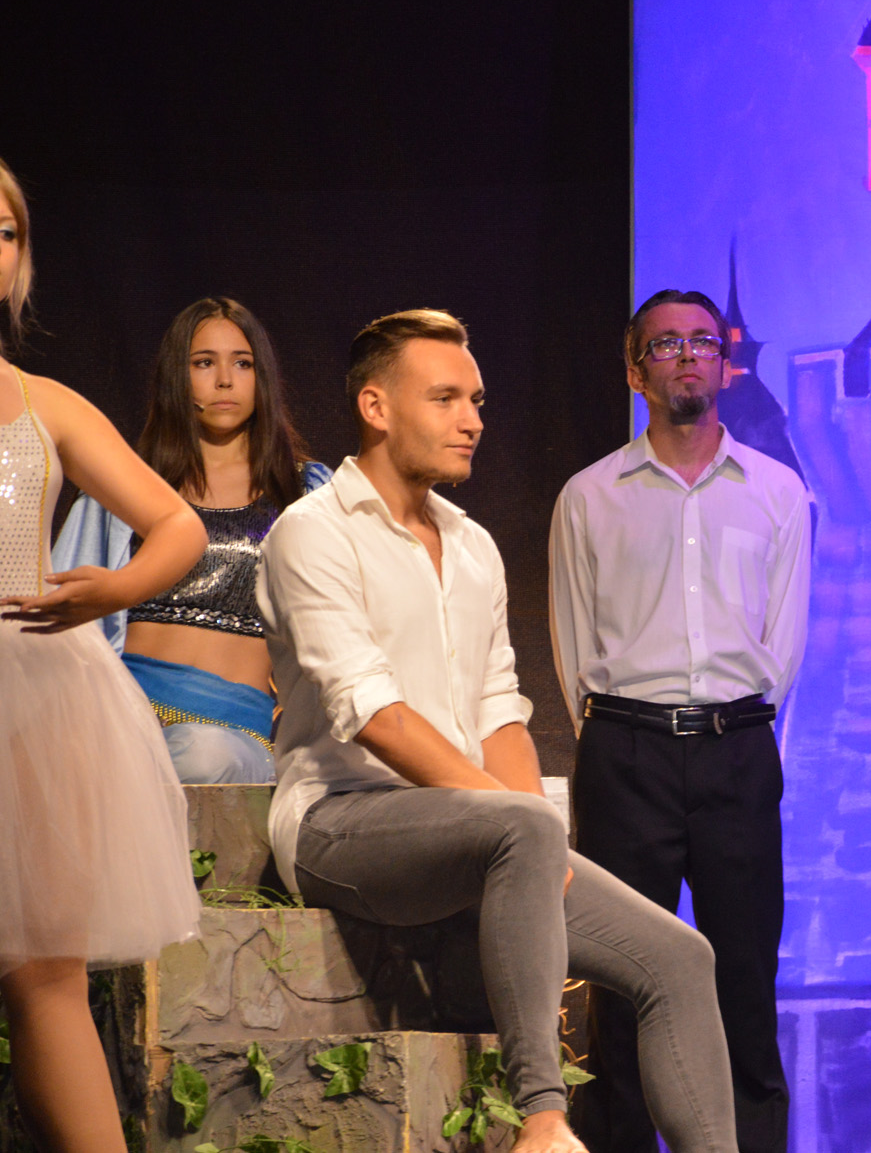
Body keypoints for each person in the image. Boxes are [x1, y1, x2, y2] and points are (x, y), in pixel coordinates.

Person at [258, 309, 738, 1153]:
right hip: (339, 820)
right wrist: (521, 823)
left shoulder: (473, 546)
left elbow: (498, 712)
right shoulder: (313, 531)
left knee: (680, 957)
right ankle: (543, 1121)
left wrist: (532, 837)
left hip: (473, 829)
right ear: (376, 406)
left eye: (476, 400)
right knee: (522, 822)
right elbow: (373, 715)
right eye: (445, 398)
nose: (472, 419)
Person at [549, 289, 809, 1153]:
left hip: (737, 750)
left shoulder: (776, 492)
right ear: (636, 372)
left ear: (725, 365)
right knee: (621, 986)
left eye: (703, 341)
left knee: (745, 983)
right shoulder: (589, 496)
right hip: (626, 753)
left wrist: (741, 736)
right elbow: (574, 645)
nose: (688, 355)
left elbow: (783, 644)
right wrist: (618, 742)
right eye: (665, 345)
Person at [0, 156, 206, 1153]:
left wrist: (113, 589)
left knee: (47, 968)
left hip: (32, 688)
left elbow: (177, 526)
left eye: (6, 232)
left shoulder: (47, 403)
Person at [53, 297, 330, 783]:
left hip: (235, 737)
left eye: (242, 364)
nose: (224, 380)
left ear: (262, 377)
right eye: (203, 363)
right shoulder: (125, 490)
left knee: (205, 755)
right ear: (176, 378)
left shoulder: (307, 494)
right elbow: (63, 612)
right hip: (123, 717)